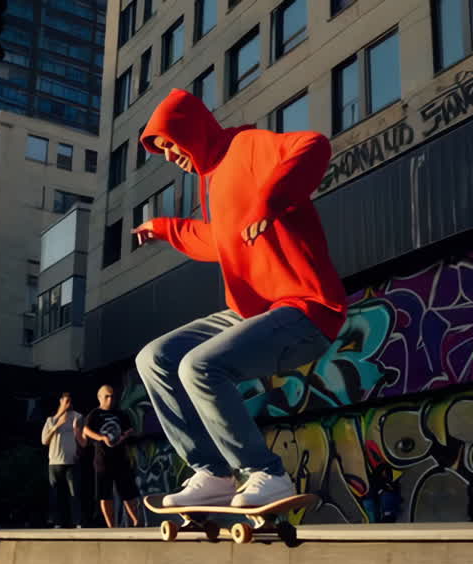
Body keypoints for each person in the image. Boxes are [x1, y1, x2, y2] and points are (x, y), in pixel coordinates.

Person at [132, 89, 347, 509]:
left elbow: (314, 145)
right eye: (163, 152)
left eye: (172, 145)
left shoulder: (246, 146)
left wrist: (270, 199)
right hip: (252, 312)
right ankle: (214, 473)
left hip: (306, 310)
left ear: (191, 131)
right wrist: (164, 228)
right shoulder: (212, 181)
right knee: (154, 358)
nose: (171, 157)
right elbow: (218, 240)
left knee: (199, 365)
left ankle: (267, 473)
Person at [83, 385, 140, 527]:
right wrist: (102, 438)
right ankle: (111, 526)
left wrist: (124, 436)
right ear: (99, 397)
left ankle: (137, 521)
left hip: (121, 459)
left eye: (112, 396)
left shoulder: (121, 414)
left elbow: (130, 430)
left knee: (128, 492)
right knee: (105, 494)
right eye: (106, 396)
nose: (110, 399)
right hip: (102, 460)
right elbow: (86, 430)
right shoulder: (95, 414)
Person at [41, 391, 85, 528]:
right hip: (55, 462)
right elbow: (44, 441)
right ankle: (58, 522)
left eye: (70, 402)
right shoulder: (51, 420)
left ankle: (77, 521)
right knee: (56, 494)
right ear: (61, 401)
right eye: (66, 401)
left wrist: (77, 431)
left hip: (71, 461)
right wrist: (56, 425)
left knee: (74, 493)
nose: (68, 404)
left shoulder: (77, 417)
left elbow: (82, 440)